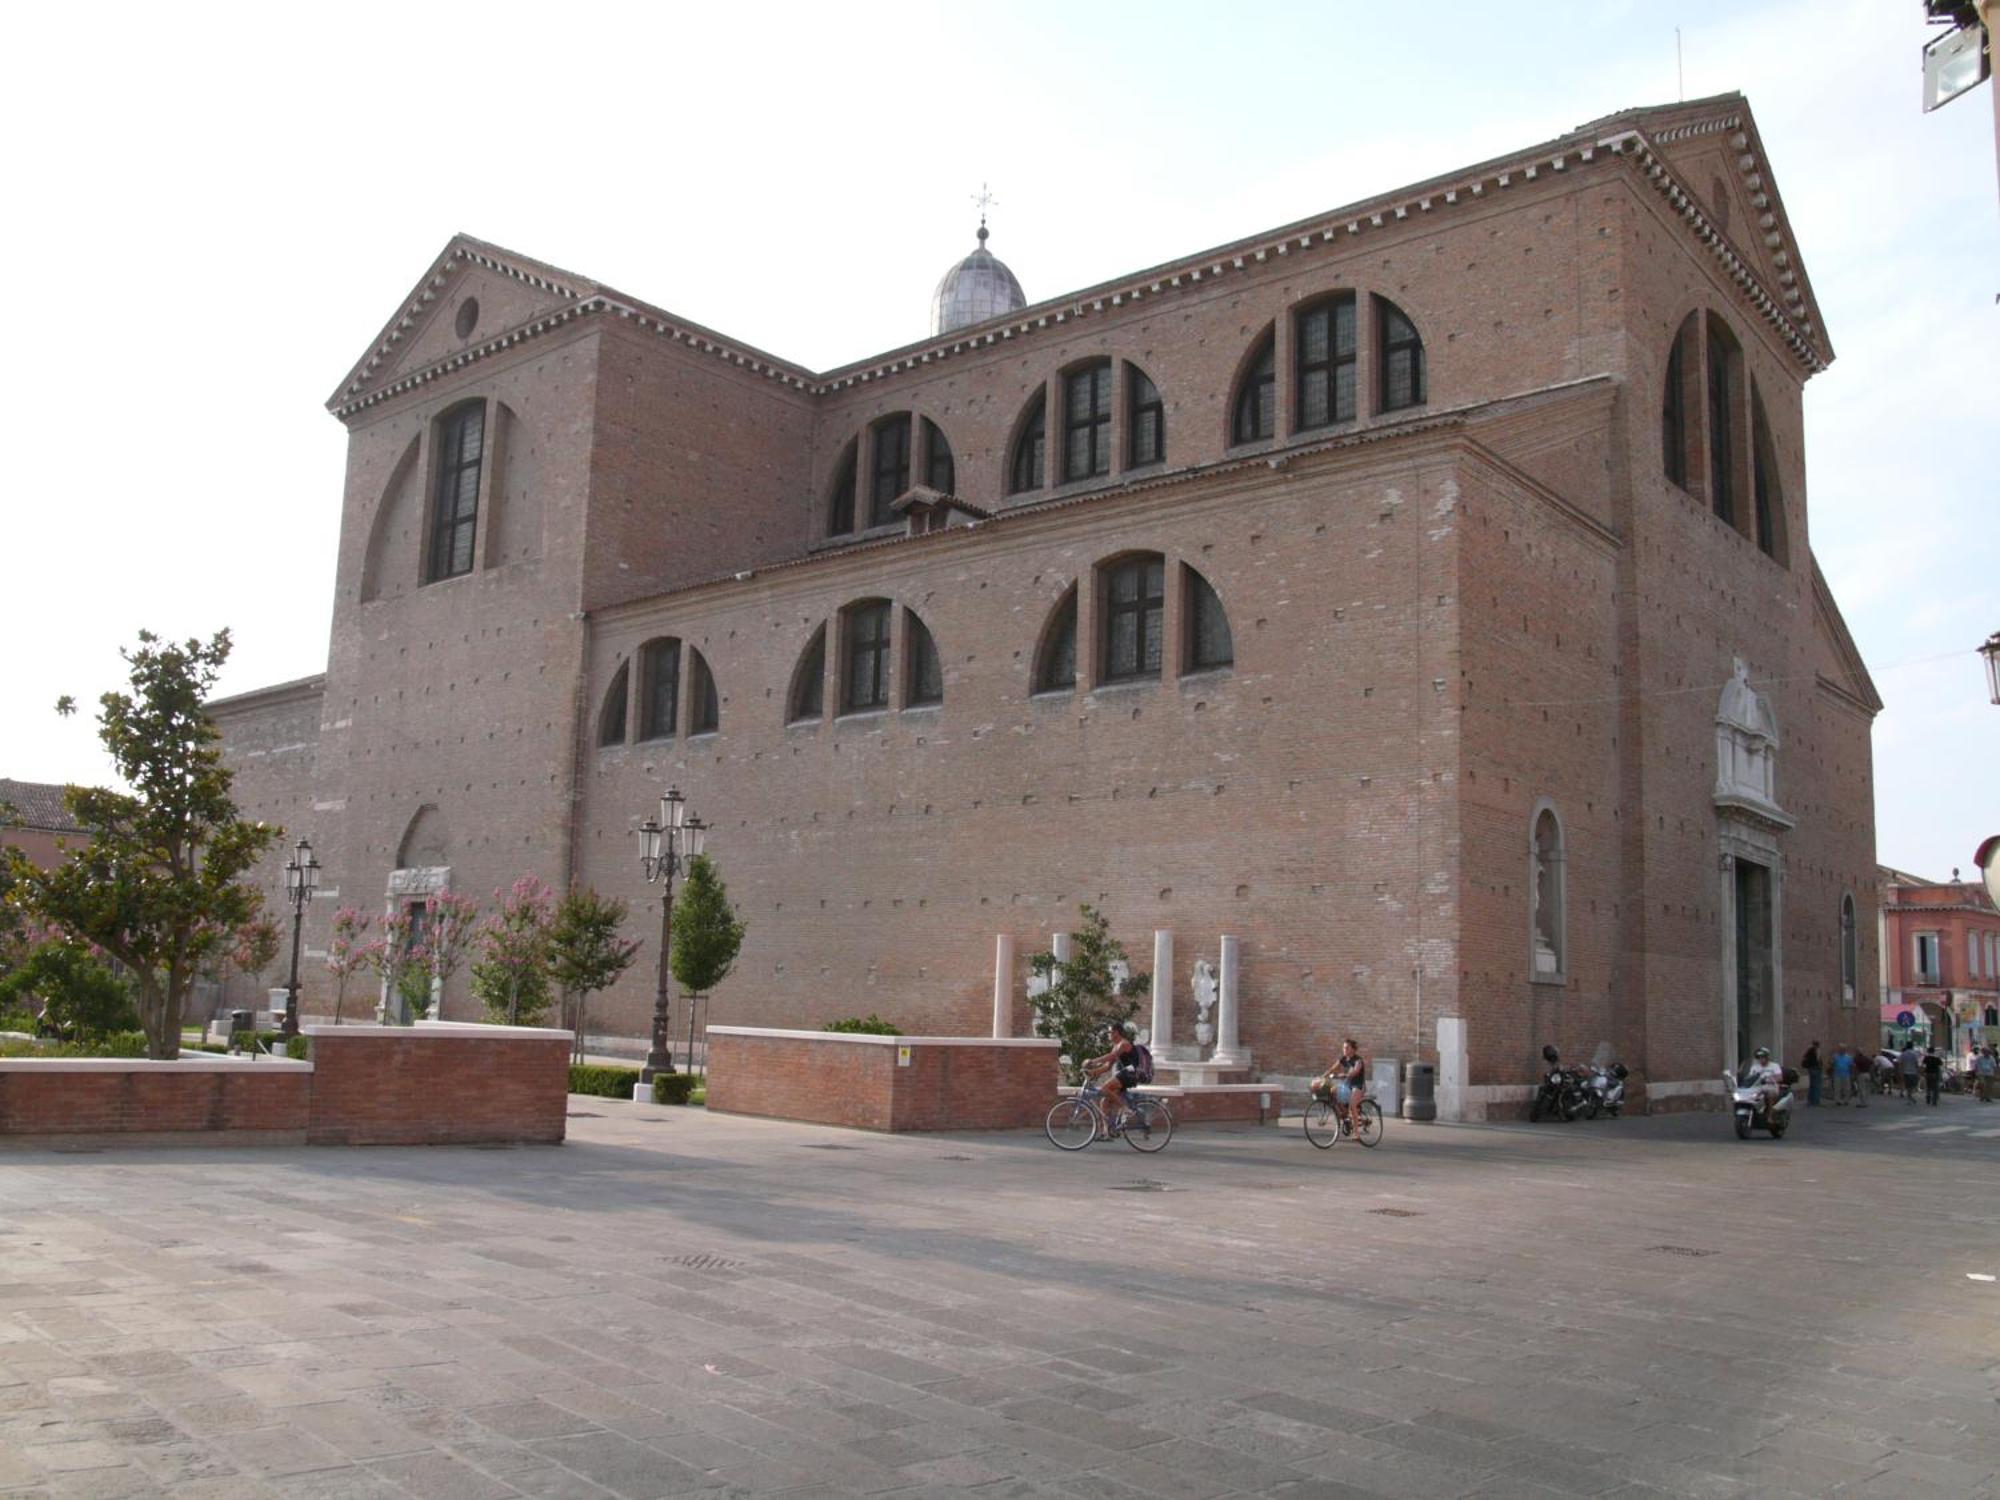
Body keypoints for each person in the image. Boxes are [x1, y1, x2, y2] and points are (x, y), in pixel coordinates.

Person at [1083, 1021, 1142, 1133]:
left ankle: (1125, 1109)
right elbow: (1107, 1066)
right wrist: (1092, 1072)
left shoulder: (1123, 1044)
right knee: (1104, 1101)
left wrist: (1092, 1061)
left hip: (1130, 1074)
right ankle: (1107, 1132)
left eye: (1110, 1032)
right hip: (1124, 1074)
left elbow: (1111, 1056)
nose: (1108, 1034)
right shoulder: (1116, 1046)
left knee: (1104, 1088)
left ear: (1116, 1032)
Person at [1327, 1037, 1368, 1134]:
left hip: (1358, 1086)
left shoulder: (1358, 1060)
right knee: (1332, 1091)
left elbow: (1355, 1071)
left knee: (1352, 1105)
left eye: (1347, 1048)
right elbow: (1332, 1068)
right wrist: (1321, 1077)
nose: (1344, 1050)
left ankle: (1357, 1134)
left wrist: (1344, 1075)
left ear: (1353, 1049)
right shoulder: (1343, 1058)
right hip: (1347, 1084)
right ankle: (1345, 1114)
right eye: (1343, 1048)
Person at [1741, 1046, 1785, 1120]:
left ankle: (1770, 1116)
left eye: (1763, 1057)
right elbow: (1750, 1077)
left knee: (1769, 1094)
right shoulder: (1755, 1067)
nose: (1761, 1059)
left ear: (1767, 1057)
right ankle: (1752, 1113)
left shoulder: (1774, 1066)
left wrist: (1769, 1079)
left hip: (1771, 1086)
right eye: (1759, 1057)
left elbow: (1779, 1077)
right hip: (1758, 1086)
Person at [1801, 1040, 1822, 1107]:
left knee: (1812, 1085)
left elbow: (1805, 1057)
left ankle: (1810, 1100)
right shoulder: (1815, 1050)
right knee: (1816, 1085)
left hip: (1811, 1069)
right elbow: (1818, 1060)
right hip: (1815, 1069)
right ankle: (1816, 1101)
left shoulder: (1809, 1050)